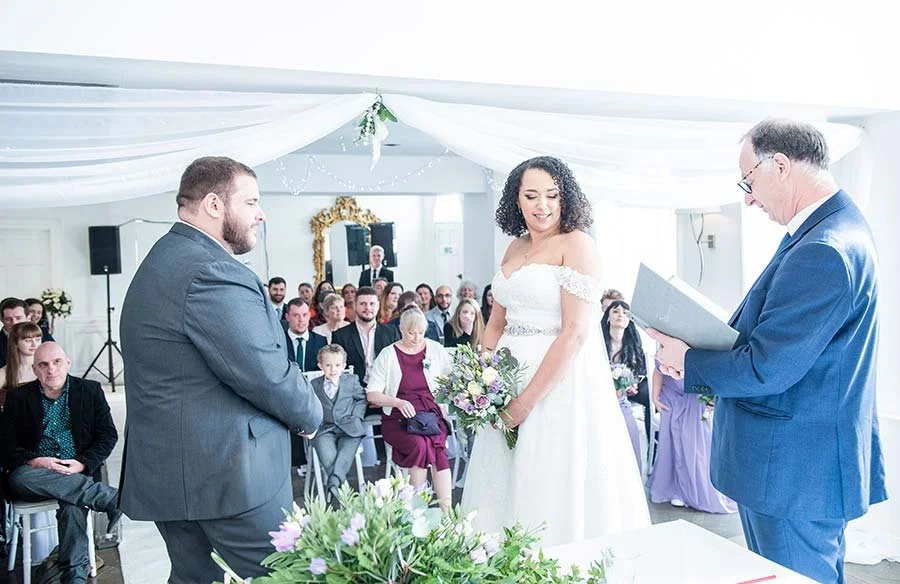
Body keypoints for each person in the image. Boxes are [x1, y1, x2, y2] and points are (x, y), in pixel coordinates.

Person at [651, 120, 885, 584]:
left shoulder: (824, 248)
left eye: (748, 181)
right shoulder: (827, 229)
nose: (748, 198)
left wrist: (687, 361)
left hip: (794, 471)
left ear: (779, 165)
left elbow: (768, 366)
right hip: (794, 465)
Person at [119, 156, 323, 583]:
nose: (261, 212)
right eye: (250, 202)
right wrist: (310, 415)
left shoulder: (164, 258)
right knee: (294, 575)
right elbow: (263, 370)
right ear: (214, 204)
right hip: (226, 475)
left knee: (194, 578)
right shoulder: (211, 270)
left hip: (175, 475)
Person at [461, 155, 650, 547]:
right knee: (503, 482)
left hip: (556, 386)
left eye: (551, 195)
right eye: (531, 196)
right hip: (504, 383)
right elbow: (496, 322)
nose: (541, 205)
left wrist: (526, 402)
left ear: (565, 198)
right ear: (517, 201)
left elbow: (576, 333)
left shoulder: (578, 245)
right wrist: (479, 378)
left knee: (545, 478)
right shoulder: (513, 248)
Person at [4, 342, 122, 584]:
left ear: (67, 363)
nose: (51, 370)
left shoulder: (89, 390)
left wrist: (81, 463)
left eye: (57, 362)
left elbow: (108, 435)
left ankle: (75, 577)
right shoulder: (19, 398)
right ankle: (108, 498)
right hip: (34, 474)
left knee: (72, 503)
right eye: (43, 365)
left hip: (76, 468)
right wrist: (36, 461)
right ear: (35, 370)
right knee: (20, 476)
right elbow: (4, 445)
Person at [366, 308, 453, 511]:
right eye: (411, 332)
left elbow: (451, 379)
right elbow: (372, 394)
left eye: (421, 333)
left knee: (439, 448)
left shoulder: (435, 349)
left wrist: (444, 402)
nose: (416, 338)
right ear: (401, 329)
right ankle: (416, 510)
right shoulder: (388, 355)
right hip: (398, 419)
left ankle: (447, 513)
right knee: (420, 445)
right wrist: (397, 402)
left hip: (430, 416)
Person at [647, 360, 737, 514]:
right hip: (670, 393)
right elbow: (658, 367)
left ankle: (693, 490)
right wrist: (655, 397)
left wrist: (714, 396)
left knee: (695, 444)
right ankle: (675, 489)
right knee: (669, 442)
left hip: (697, 393)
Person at [309, 344, 368, 502]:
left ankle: (334, 486)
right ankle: (343, 493)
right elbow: (307, 407)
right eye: (328, 365)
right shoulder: (313, 385)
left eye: (337, 365)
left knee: (345, 454)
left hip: (349, 428)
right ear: (320, 365)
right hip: (324, 430)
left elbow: (361, 399)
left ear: (343, 366)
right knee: (329, 457)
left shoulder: (351, 380)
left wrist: (356, 417)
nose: (332, 369)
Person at [601, 300, 646, 473]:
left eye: (625, 313)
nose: (621, 315)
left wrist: (631, 384)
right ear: (608, 318)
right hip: (599, 400)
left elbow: (638, 375)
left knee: (630, 433)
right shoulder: (598, 345)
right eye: (616, 311)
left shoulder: (633, 348)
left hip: (621, 402)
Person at [331, 286, 400, 389]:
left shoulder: (391, 333)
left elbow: (397, 366)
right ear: (355, 306)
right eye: (363, 304)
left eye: (372, 304)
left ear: (378, 306)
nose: (367, 308)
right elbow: (336, 370)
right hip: (353, 393)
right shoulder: (340, 336)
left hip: (385, 391)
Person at [1, 297, 53, 368]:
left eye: (18, 318)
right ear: (2, 320)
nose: (14, 323)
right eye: (8, 319)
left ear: (28, 318)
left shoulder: (44, 336)